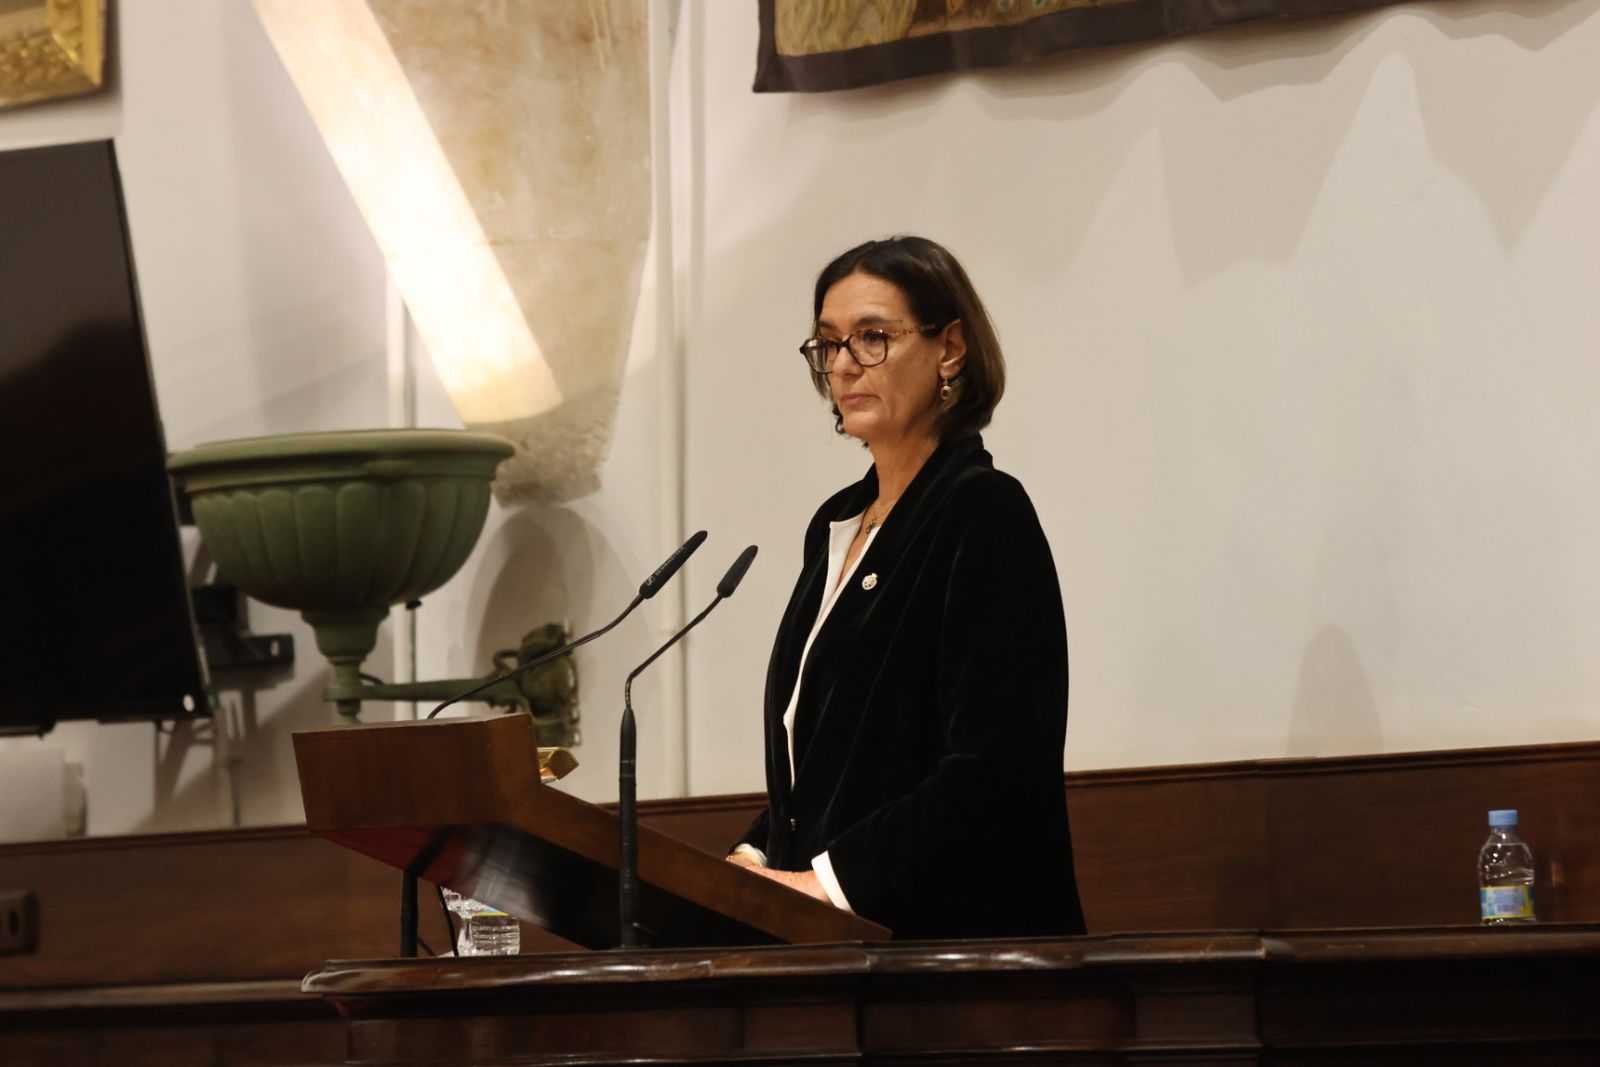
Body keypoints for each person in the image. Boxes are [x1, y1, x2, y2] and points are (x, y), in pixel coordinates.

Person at [728, 235, 1085, 940]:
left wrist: (826, 883)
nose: (841, 364)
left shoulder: (982, 512)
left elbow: (999, 766)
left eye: (872, 337)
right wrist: (754, 854)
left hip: (963, 962)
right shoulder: (837, 525)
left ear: (949, 348)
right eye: (827, 343)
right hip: (849, 962)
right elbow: (841, 765)